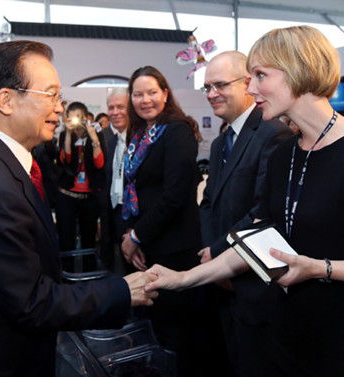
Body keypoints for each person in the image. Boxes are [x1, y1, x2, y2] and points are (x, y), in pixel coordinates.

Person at [145, 25, 344, 377]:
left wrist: (322, 268)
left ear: (299, 70)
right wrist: (184, 278)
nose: (250, 88)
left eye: (260, 75)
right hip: (287, 341)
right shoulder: (285, 154)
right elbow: (255, 238)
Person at [0, 40, 157, 377]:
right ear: (6, 100)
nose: (60, 109)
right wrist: (122, 290)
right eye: (51, 95)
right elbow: (31, 302)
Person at [198, 50, 293, 376]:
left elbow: (263, 210)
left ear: (248, 83)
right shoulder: (220, 141)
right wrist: (211, 252)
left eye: (220, 84)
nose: (212, 94)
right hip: (220, 277)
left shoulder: (274, 134)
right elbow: (208, 202)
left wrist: (220, 254)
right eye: (207, 87)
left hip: (253, 284)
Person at [121, 66, 202, 376]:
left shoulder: (178, 131)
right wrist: (131, 234)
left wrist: (136, 236)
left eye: (152, 92)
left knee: (176, 330)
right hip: (147, 242)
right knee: (153, 324)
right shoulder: (140, 134)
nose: (145, 100)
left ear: (165, 94)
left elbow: (174, 195)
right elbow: (134, 189)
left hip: (174, 247)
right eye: (138, 94)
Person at [56, 101, 106, 251]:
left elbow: (99, 164)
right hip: (67, 196)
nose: (76, 122)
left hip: (89, 198)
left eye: (79, 117)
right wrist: (68, 135)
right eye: (71, 118)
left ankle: (89, 273)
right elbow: (65, 161)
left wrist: (94, 138)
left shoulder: (96, 135)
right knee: (66, 242)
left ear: (86, 117)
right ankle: (66, 273)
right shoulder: (65, 134)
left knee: (89, 242)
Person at [99, 88, 130, 272]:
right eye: (111, 107)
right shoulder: (112, 141)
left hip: (133, 213)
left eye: (120, 107)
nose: (115, 112)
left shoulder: (141, 139)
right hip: (113, 207)